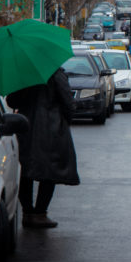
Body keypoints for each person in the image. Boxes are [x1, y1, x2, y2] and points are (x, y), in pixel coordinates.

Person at [6, 67, 80, 228]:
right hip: (51, 127)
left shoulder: (23, 74)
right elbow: (68, 102)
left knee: (25, 169)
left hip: (25, 126)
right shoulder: (55, 73)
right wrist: (65, 121)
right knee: (50, 170)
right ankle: (40, 213)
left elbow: (12, 101)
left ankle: (28, 212)